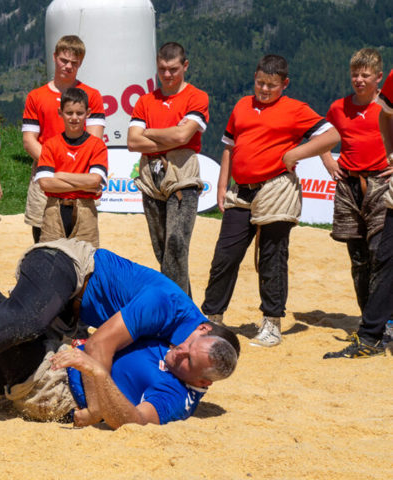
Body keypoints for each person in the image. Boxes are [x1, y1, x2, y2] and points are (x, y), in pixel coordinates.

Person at [0, 177, 238, 428]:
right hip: (70, 269)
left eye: (190, 360)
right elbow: (100, 344)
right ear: (201, 327)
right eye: (190, 345)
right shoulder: (167, 307)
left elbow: (136, 418)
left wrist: (93, 386)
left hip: (58, 340)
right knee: (18, 321)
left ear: (204, 381)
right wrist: (94, 402)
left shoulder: (177, 382)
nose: (180, 352)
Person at [200, 55, 340, 347]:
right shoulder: (241, 105)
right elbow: (229, 146)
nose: (264, 90)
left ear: (284, 84)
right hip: (241, 190)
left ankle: (271, 323)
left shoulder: (295, 109)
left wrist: (296, 154)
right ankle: (211, 318)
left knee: (272, 257)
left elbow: (331, 136)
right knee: (225, 256)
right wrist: (223, 184)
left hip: (276, 188)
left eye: (271, 86)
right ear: (254, 77)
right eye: (260, 83)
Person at [127, 42, 209, 295]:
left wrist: (149, 132)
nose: (167, 74)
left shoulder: (197, 96)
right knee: (162, 246)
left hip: (182, 173)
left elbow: (183, 137)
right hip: (151, 176)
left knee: (177, 243)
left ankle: (176, 308)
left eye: (173, 69)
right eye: (162, 69)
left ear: (185, 66)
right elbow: (132, 142)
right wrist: (170, 135)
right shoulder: (145, 100)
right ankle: (183, 303)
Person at [324, 61, 393, 358]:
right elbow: (321, 134)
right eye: (355, 74)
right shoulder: (338, 107)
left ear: (378, 76)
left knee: (381, 254)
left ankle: (380, 326)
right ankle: (371, 325)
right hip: (350, 186)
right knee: (365, 258)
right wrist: (327, 160)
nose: (359, 79)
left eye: (366, 74)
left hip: (379, 183)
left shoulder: (380, 103)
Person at [22, 35, 105, 244]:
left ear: (80, 63)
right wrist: (52, 166)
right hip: (46, 171)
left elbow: (94, 140)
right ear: (54, 57)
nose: (68, 66)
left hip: (80, 175)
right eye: (64, 60)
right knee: (42, 239)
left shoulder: (92, 96)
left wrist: (67, 172)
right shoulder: (36, 96)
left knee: (82, 240)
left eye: (74, 63)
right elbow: (29, 140)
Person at [36, 87, 108, 247]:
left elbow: (95, 180)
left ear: (88, 113)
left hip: (85, 210)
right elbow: (45, 184)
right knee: (50, 260)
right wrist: (84, 185)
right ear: (60, 112)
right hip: (54, 209)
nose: (74, 117)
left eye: (79, 113)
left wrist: (60, 175)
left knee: (86, 262)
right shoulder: (50, 145)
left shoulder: (97, 145)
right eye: (69, 113)